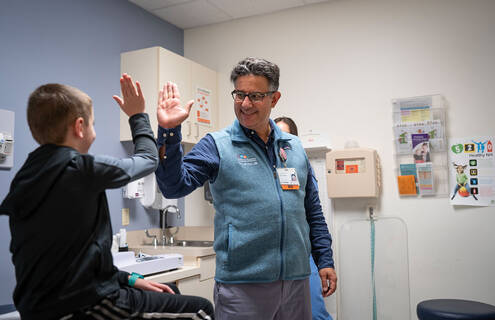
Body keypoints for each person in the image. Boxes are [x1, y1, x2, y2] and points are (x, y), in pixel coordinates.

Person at [0, 74, 214, 320]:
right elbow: (148, 160)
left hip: (39, 308)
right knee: (201, 309)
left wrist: (130, 279)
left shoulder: (28, 175)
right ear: (80, 127)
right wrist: (137, 116)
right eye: (93, 124)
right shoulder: (80, 168)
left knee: (170, 291)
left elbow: (71, 260)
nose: (93, 131)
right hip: (85, 306)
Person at [155, 57, 337, 320]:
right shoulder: (217, 145)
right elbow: (173, 186)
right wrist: (169, 133)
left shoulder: (294, 147)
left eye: (255, 96)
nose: (245, 104)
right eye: (239, 94)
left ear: (274, 99)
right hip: (243, 287)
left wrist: (325, 259)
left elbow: (312, 212)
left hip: (297, 283)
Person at [274, 116, 333, 320]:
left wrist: (325, 260)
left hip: (302, 256)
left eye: (285, 136)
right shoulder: (265, 169)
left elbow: (315, 217)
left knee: (315, 314)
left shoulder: (302, 168)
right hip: (271, 262)